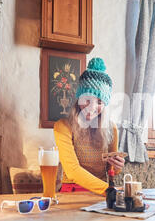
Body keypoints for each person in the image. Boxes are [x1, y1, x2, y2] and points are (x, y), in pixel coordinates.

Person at [53, 57, 125, 195]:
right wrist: (108, 190)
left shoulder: (111, 128)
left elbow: (111, 171)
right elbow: (72, 170)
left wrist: (117, 167)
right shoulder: (62, 127)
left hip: (102, 193)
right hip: (73, 192)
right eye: (87, 99)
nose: (92, 107)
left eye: (99, 102)